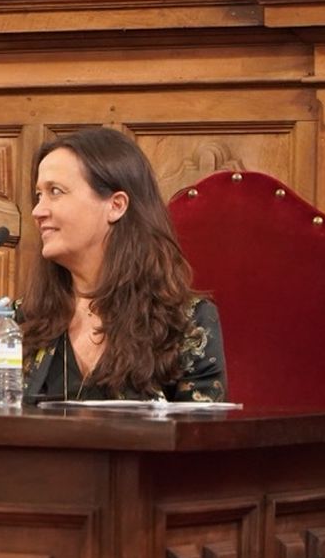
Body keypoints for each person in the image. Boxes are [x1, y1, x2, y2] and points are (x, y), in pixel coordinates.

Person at [21, 127, 226, 402]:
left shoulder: (185, 322)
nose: (38, 211)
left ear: (116, 205)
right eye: (38, 196)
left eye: (55, 192)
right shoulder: (24, 319)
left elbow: (203, 437)